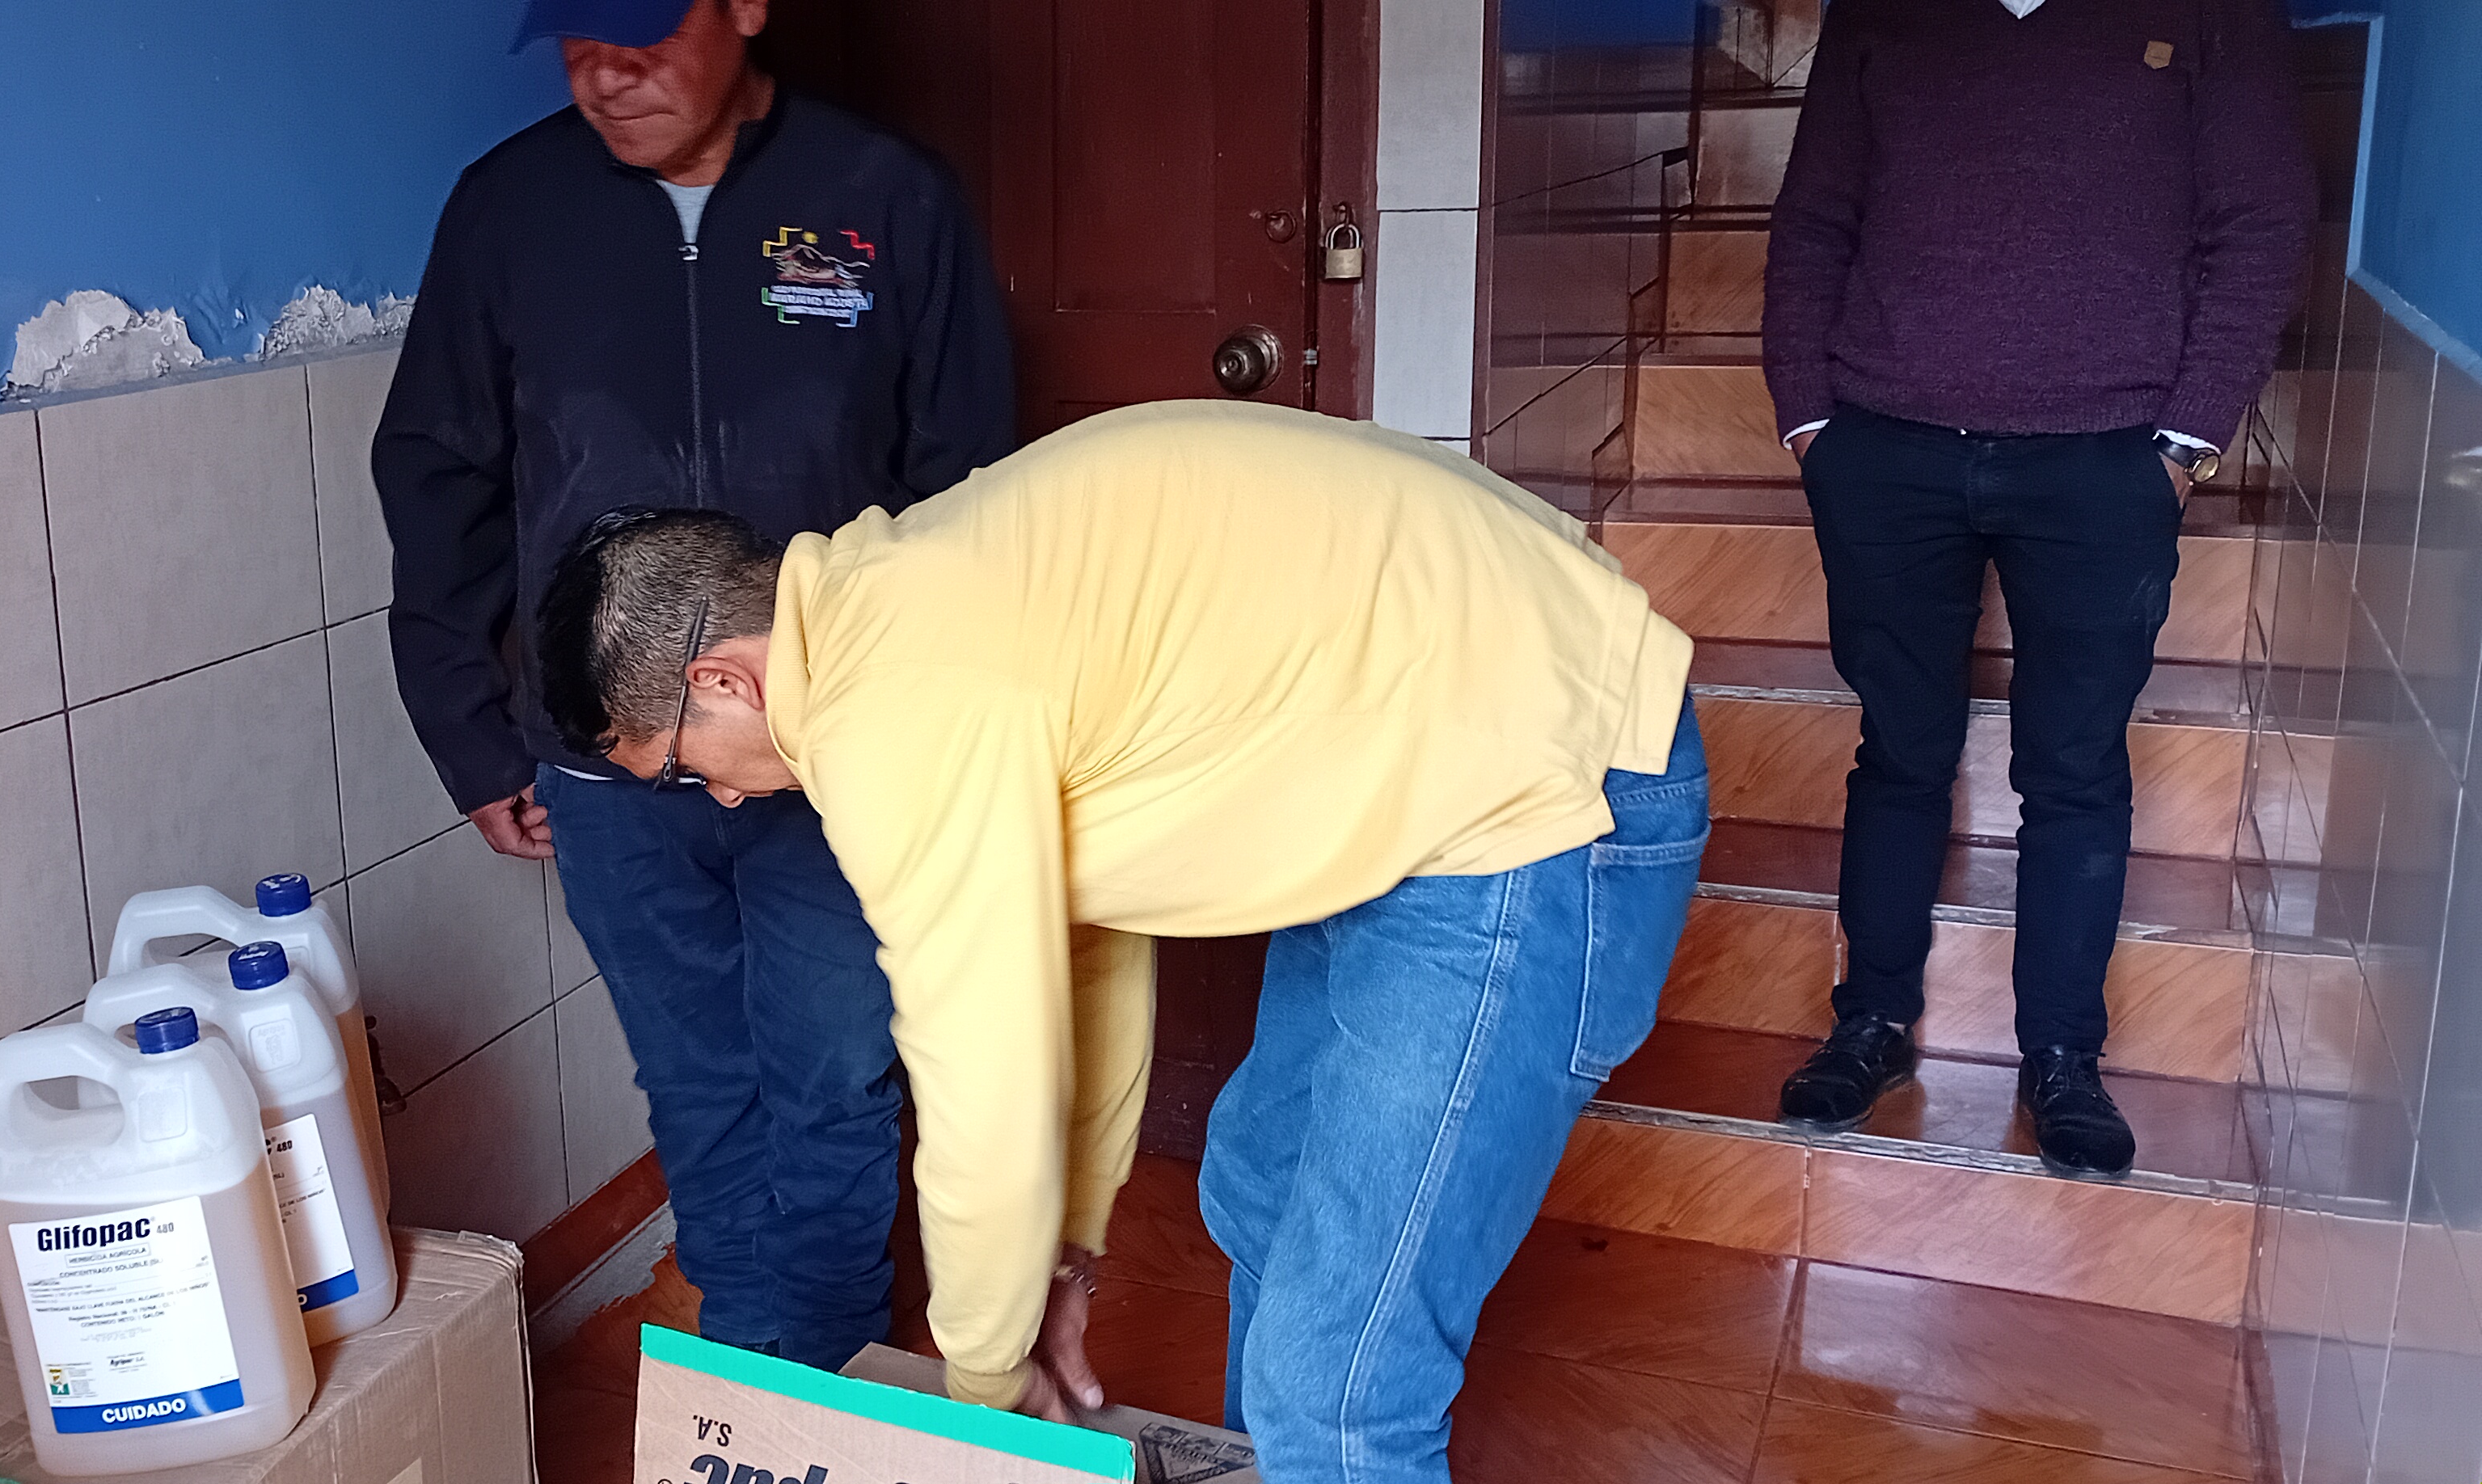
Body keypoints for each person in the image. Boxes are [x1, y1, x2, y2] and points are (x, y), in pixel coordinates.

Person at [534, 401, 1704, 1482]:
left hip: (1541, 784)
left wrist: (983, 1387)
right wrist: (1066, 1247)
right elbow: (1077, 956)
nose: (721, 798)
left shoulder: (887, 704)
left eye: (680, 768)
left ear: (723, 680)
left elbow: (983, 1067)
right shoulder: (895, 597)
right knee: (1257, 1183)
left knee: (1336, 1387)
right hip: (1438, 757)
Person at [370, 0, 1015, 1369]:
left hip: (829, 756)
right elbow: (436, 476)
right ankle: (745, 1369)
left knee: (833, 1074)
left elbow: (969, 486)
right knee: (698, 1083)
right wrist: (470, 733)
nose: (610, 75)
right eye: (578, 42)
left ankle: (821, 1376)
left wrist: (933, 726)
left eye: (646, 35)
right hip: (607, 766)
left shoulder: (883, 196)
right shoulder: (509, 210)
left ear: (744, 8)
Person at [1762, 0, 2311, 1176]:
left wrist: (2186, 442)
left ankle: (2062, 1057)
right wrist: (1809, 414)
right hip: (1887, 450)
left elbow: (2261, 223)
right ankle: (1871, 1024)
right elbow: (1815, 214)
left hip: (2106, 460)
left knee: (2074, 769)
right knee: (1900, 751)